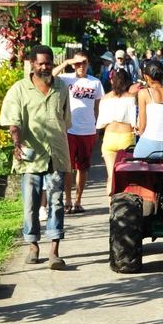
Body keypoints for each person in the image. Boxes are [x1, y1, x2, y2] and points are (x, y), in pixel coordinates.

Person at [0, 44, 71, 270]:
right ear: (32, 64)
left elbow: (65, 121)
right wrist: (17, 142)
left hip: (56, 154)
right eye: (40, 63)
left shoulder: (61, 88)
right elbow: (13, 122)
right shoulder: (19, 90)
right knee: (31, 203)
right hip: (30, 156)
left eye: (48, 63)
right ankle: (32, 246)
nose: (45, 67)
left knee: (57, 202)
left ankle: (54, 251)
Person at [53, 51, 104, 214]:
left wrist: (97, 128)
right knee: (68, 167)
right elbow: (51, 75)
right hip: (69, 129)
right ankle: (67, 199)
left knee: (83, 167)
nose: (81, 66)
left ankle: (78, 200)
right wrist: (67, 62)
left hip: (87, 130)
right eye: (78, 63)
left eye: (84, 63)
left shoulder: (95, 83)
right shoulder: (67, 78)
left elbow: (97, 107)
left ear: (89, 64)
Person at [96, 68, 137, 193]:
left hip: (109, 137)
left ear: (112, 82)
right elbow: (135, 122)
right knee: (126, 177)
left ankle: (111, 209)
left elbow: (100, 123)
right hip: (126, 137)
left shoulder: (104, 99)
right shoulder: (131, 98)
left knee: (111, 176)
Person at [133, 60, 163, 159]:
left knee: (134, 167)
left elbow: (142, 127)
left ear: (146, 76)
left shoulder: (144, 93)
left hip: (149, 146)